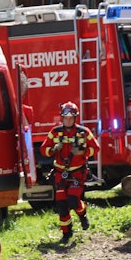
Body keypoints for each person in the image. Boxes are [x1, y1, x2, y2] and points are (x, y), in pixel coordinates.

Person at [39, 101, 98, 243]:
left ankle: (82, 215)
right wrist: (53, 150)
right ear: (62, 118)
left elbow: (95, 148)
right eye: (65, 118)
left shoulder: (84, 132)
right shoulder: (55, 132)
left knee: (72, 199)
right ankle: (66, 234)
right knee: (61, 205)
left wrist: (83, 151)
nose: (68, 120)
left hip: (78, 172)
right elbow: (43, 150)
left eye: (71, 118)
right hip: (60, 172)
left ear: (75, 118)